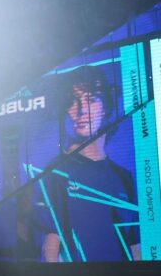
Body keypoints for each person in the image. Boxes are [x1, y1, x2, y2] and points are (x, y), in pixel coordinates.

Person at [37, 66, 140, 262]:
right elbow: (51, 244)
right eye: (72, 102)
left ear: (106, 108)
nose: (82, 110)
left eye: (91, 100)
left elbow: (135, 245)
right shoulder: (54, 173)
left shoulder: (124, 177)